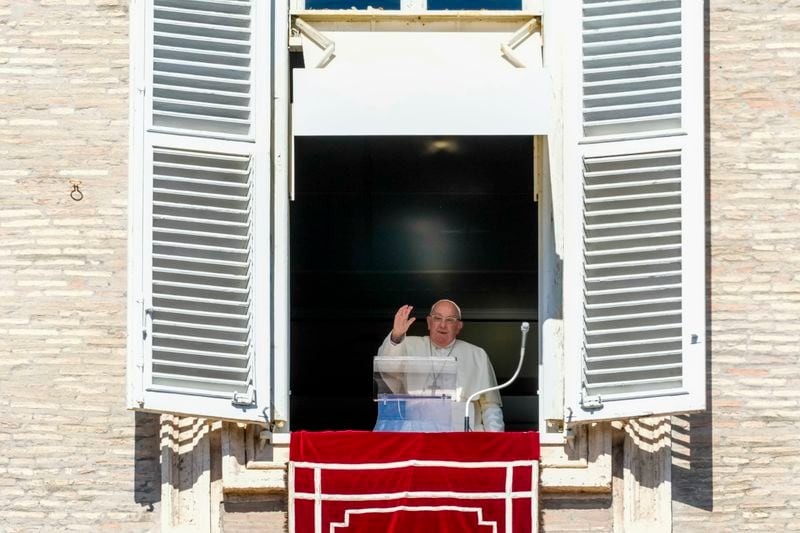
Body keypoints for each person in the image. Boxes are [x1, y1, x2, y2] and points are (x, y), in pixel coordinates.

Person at [377, 299, 505, 432]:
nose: (442, 325)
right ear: (429, 322)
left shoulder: (477, 355)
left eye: (450, 320)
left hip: (463, 437)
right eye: (437, 318)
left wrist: (495, 441)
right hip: (417, 435)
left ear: (459, 326)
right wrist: (396, 336)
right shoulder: (407, 345)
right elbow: (387, 368)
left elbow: (490, 405)